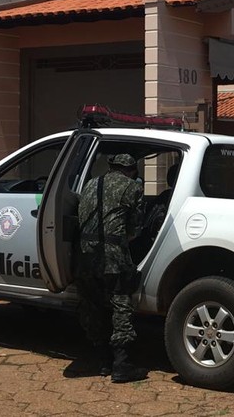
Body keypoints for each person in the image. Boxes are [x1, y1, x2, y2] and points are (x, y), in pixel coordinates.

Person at [74, 153, 148, 383]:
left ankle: (102, 359)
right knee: (121, 303)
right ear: (132, 170)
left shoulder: (90, 183)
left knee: (92, 304)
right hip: (113, 255)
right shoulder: (132, 188)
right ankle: (122, 364)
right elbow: (136, 228)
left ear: (111, 167)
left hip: (85, 254)